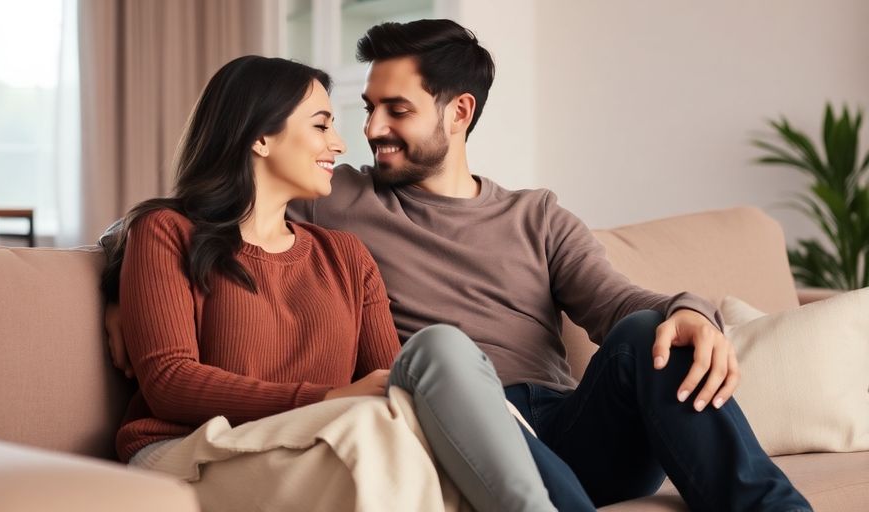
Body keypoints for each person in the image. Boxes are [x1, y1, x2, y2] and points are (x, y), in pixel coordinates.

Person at [105, 21, 812, 512]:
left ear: (457, 112)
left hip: (562, 429)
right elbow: (210, 211)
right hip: (449, 414)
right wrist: (120, 290)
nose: (371, 129)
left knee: (648, 335)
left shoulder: (536, 216)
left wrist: (690, 308)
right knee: (444, 356)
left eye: (395, 109)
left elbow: (615, 301)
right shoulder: (342, 197)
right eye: (363, 108)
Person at [102, 54, 556, 512]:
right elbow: (169, 382)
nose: (339, 143)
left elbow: (390, 389)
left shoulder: (346, 255)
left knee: (407, 423)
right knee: (370, 433)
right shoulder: (167, 231)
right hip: (190, 447)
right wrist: (330, 397)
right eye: (321, 126)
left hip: (320, 436)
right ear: (260, 136)